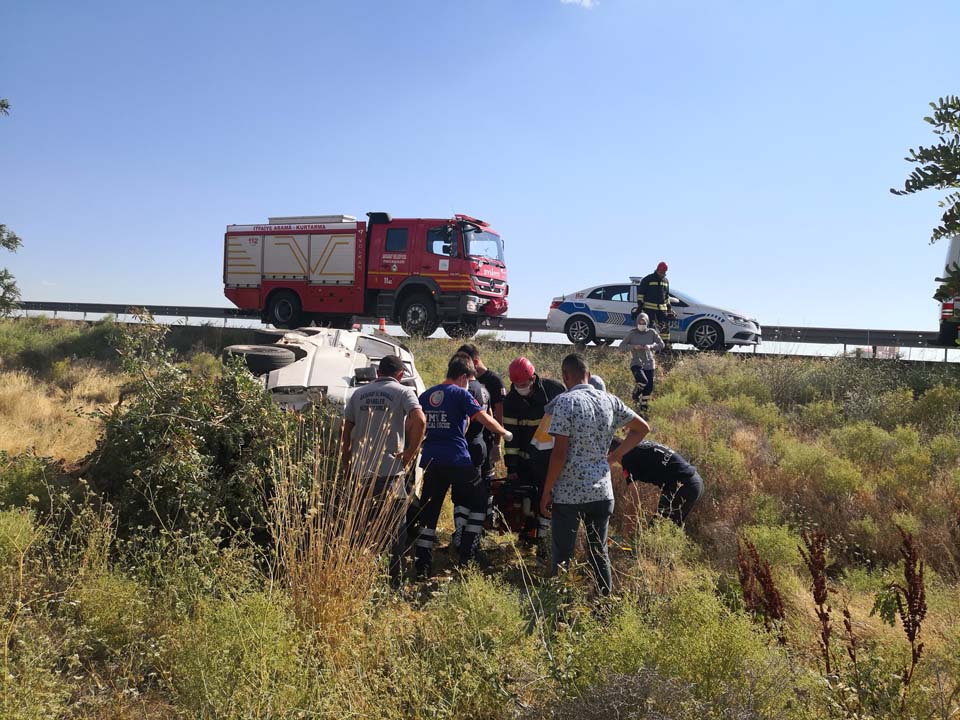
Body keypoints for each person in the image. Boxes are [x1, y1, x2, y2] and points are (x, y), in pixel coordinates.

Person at [541, 353, 650, 595]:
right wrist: (614, 456)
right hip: (601, 491)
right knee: (599, 552)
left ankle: (561, 609)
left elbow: (559, 454)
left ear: (565, 376)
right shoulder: (610, 401)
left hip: (569, 495)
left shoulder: (565, 402)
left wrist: (547, 490)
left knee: (563, 556)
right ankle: (604, 605)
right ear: (588, 375)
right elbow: (642, 429)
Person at [414, 355, 511, 578]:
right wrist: (503, 433)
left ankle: (422, 564)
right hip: (457, 460)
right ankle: (467, 553)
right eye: (469, 380)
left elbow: (416, 423)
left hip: (431, 460)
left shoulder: (427, 394)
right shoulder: (461, 393)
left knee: (429, 511)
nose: (469, 384)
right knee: (478, 501)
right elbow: (484, 418)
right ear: (462, 377)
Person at [341, 355, 427, 585]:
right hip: (390, 473)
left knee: (359, 528)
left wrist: (347, 464)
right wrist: (409, 453)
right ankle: (394, 583)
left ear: (378, 372)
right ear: (400, 374)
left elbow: (346, 430)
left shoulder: (358, 394)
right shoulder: (403, 392)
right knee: (395, 529)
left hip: (361, 473)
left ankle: (357, 578)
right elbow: (420, 419)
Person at [501, 357, 566, 547]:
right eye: (517, 384)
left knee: (548, 498)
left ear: (533, 378)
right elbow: (511, 437)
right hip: (525, 461)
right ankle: (529, 535)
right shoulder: (511, 400)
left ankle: (546, 542)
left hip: (550, 458)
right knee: (526, 500)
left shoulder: (553, 390)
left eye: (524, 383)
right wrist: (512, 467)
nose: (521, 387)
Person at [456, 343, 506, 522]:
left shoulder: (493, 381)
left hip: (486, 440)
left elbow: (498, 415)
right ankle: (472, 523)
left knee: (486, 482)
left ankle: (487, 520)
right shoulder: (462, 379)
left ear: (475, 361)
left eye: (464, 359)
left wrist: (498, 444)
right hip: (467, 441)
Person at [451, 351, 491, 554]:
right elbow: (490, 417)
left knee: (461, 496)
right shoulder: (484, 390)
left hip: (464, 449)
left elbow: (464, 421)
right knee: (477, 496)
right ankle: (472, 540)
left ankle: (462, 536)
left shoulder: (464, 391)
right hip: (480, 445)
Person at [618, 439, 704, 526]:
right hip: (694, 480)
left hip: (684, 485)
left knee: (656, 530)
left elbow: (634, 498)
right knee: (666, 529)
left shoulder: (627, 458)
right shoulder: (636, 443)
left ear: (610, 453)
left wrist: (627, 532)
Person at [620, 312, 665, 412]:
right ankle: (635, 394)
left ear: (647, 322)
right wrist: (634, 347)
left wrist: (651, 346)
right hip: (636, 362)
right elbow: (621, 346)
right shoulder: (632, 333)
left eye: (643, 322)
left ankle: (643, 409)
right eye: (640, 322)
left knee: (648, 388)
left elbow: (661, 344)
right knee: (643, 381)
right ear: (637, 322)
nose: (641, 324)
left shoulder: (652, 332)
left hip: (649, 363)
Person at [637, 261, 671, 333]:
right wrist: (640, 305)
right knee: (651, 328)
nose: (663, 274)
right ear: (657, 270)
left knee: (665, 327)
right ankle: (650, 342)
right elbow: (640, 294)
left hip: (662, 311)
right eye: (661, 272)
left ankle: (664, 343)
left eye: (664, 272)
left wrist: (669, 307)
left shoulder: (666, 281)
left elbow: (667, 296)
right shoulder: (648, 279)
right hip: (649, 309)